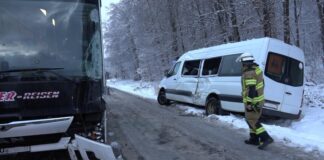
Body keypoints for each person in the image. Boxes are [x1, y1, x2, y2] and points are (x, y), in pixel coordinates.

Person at [236, 52, 273, 150]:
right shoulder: (256, 70)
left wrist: (249, 103)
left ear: (245, 62)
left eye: (242, 63)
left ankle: (266, 138)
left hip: (253, 101)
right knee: (250, 119)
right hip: (257, 100)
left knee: (252, 120)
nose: (242, 65)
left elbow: (251, 89)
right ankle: (254, 139)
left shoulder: (249, 73)